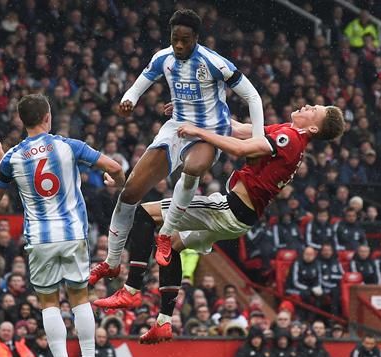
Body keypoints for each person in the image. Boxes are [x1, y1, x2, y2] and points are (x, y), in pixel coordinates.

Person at [92, 103, 345, 345]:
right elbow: (235, 128)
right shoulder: (286, 133)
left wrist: (198, 131)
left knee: (146, 214)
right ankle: (164, 321)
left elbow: (241, 150)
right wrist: (190, 112)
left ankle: (131, 288)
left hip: (229, 210)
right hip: (241, 215)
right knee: (175, 245)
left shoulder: (289, 139)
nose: (307, 107)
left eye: (314, 111)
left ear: (313, 128)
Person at [90, 8, 265, 283]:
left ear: (196, 37)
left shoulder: (214, 62)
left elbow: (253, 96)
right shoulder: (163, 58)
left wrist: (257, 139)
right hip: (176, 128)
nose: (179, 45)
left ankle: (166, 233)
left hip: (209, 132)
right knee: (130, 192)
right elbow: (139, 85)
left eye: (185, 39)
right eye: (175, 39)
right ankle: (111, 262)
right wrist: (129, 100)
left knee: (193, 166)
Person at [0, 94, 125, 357]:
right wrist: (116, 182)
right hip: (72, 233)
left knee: (49, 303)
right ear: (47, 117)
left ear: (22, 121)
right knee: (79, 298)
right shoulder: (68, 145)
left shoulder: (12, 157)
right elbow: (115, 167)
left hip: (39, 239)